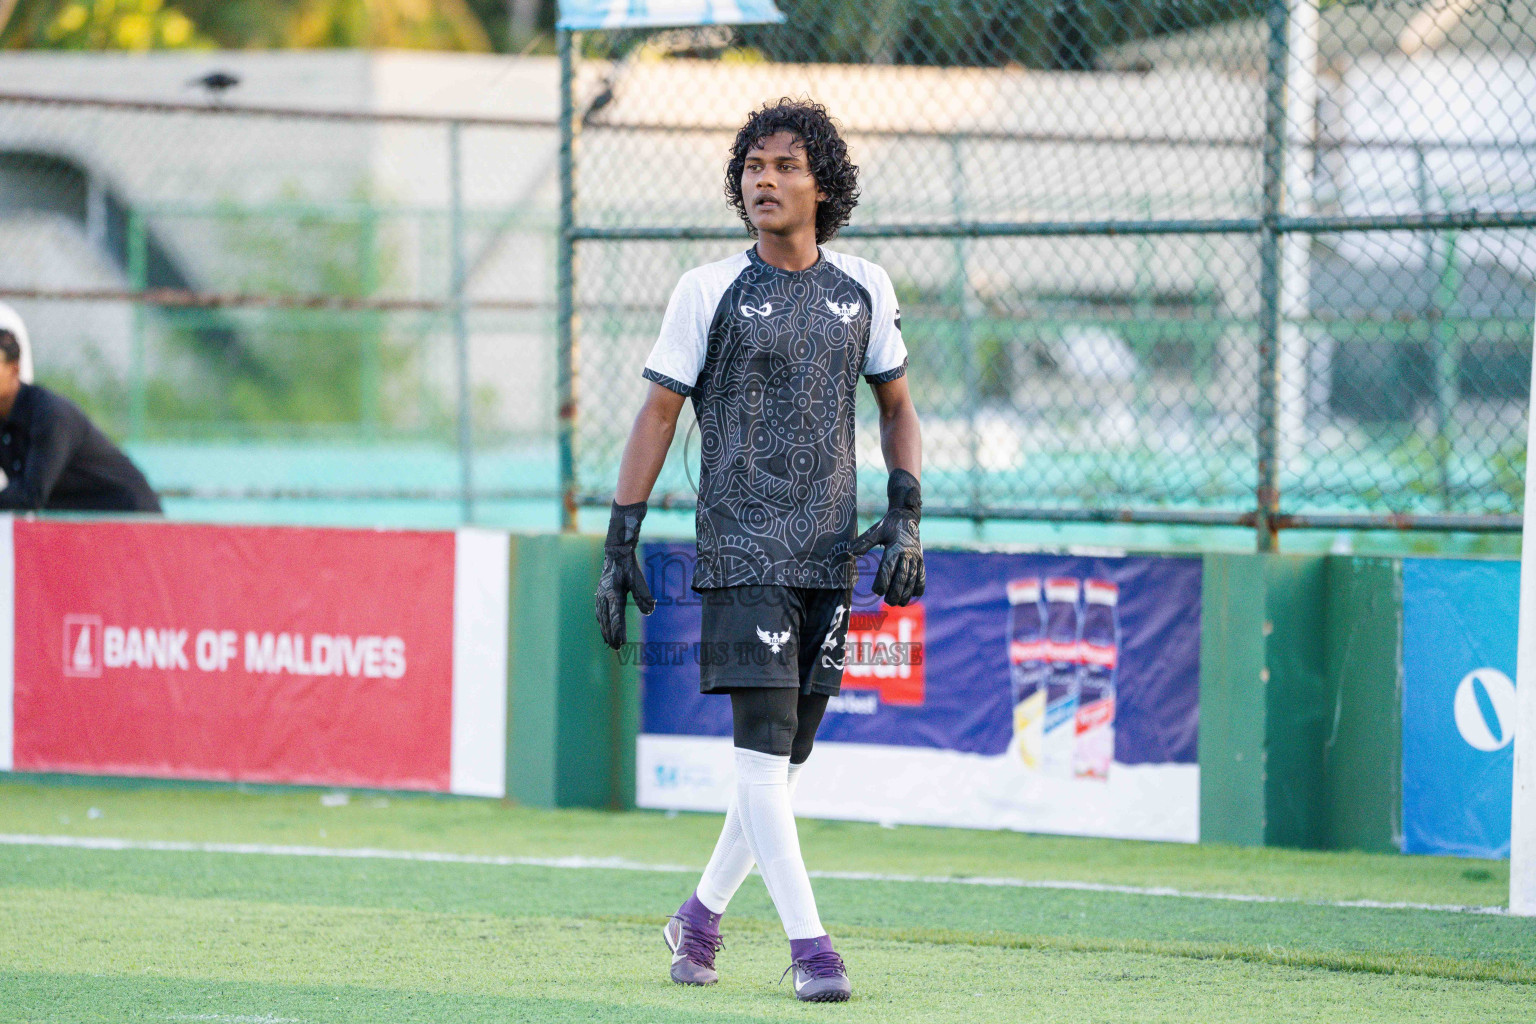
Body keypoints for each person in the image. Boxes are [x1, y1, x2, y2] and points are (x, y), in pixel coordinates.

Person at [593, 98, 925, 1003]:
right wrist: (620, 538)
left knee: (783, 761)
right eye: (751, 166)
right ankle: (813, 951)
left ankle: (698, 918)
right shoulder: (707, 289)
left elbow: (897, 407)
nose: (763, 179)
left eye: (783, 165)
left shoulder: (866, 286)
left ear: (824, 184)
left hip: (829, 555)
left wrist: (907, 515)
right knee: (760, 756)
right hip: (743, 550)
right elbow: (657, 411)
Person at [0, 311, 161, 513]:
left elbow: (31, 495)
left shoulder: (49, 414)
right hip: (82, 525)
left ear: (14, 369)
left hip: (131, 519)